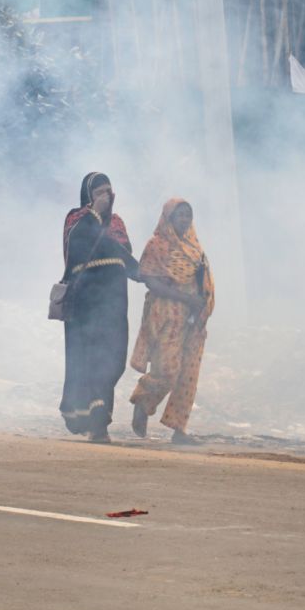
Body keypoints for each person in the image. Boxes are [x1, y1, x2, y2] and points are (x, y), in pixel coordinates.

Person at [60, 172, 140, 443]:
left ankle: (97, 419)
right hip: (86, 301)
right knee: (91, 358)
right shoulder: (76, 219)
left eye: (110, 191)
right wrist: (94, 214)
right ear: (89, 195)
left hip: (115, 300)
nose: (107, 196)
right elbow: (75, 250)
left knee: (114, 358)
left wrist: (154, 278)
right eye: (100, 192)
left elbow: (126, 260)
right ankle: (98, 423)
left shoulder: (117, 223)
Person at [128, 198, 215, 445]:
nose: (185, 220)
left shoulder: (193, 248)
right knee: (167, 369)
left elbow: (202, 279)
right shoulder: (157, 244)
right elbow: (150, 280)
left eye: (188, 215)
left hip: (192, 319)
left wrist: (201, 302)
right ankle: (143, 401)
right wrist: (184, 297)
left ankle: (179, 429)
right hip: (166, 314)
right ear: (168, 218)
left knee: (188, 372)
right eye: (180, 215)